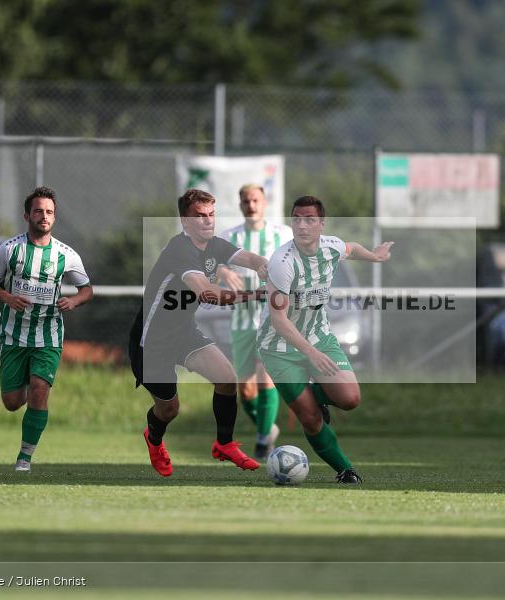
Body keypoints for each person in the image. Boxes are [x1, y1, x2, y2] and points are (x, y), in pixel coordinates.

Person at [129, 188, 270, 477]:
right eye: (199, 216)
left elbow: (252, 259)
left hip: (184, 333)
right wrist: (257, 293)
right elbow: (208, 293)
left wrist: (268, 269)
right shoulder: (178, 250)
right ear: (184, 221)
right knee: (169, 410)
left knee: (227, 377)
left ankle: (224, 443)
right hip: (151, 343)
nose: (207, 221)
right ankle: (153, 439)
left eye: (211, 215)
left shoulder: (215, 245)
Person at [258, 196, 394, 484]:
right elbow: (278, 321)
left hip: (318, 336)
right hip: (279, 347)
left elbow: (351, 248)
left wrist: (374, 255)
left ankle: (317, 398)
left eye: (309, 220)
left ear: (321, 224)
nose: (302, 225)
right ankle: (345, 470)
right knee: (308, 417)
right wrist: (310, 354)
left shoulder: (330, 246)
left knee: (350, 398)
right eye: (296, 219)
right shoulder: (282, 263)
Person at [0, 186, 93, 472]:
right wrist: (7, 298)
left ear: (55, 217)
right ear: (27, 215)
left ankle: (25, 458)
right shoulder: (9, 250)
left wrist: (75, 301)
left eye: (50, 212)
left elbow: (87, 289)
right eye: (39, 211)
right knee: (11, 402)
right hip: (13, 335)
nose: (45, 217)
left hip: (48, 334)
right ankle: (28, 383)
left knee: (40, 390)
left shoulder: (66, 255)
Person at [217, 184, 293, 459]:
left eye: (255, 200)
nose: (251, 205)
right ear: (240, 204)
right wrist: (223, 270)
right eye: (246, 200)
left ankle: (263, 442)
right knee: (245, 390)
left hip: (272, 319)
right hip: (241, 320)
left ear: (264, 202)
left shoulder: (282, 234)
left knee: (265, 377)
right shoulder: (229, 236)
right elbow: (208, 266)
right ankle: (267, 428)